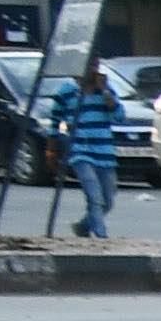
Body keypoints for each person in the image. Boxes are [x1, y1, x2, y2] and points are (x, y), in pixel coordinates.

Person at [54, 66, 117, 240]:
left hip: (104, 151)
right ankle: (101, 236)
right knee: (94, 196)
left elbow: (119, 114)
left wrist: (104, 91)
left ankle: (83, 226)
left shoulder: (106, 90)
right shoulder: (66, 92)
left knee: (108, 200)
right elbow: (55, 119)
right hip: (79, 150)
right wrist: (51, 147)